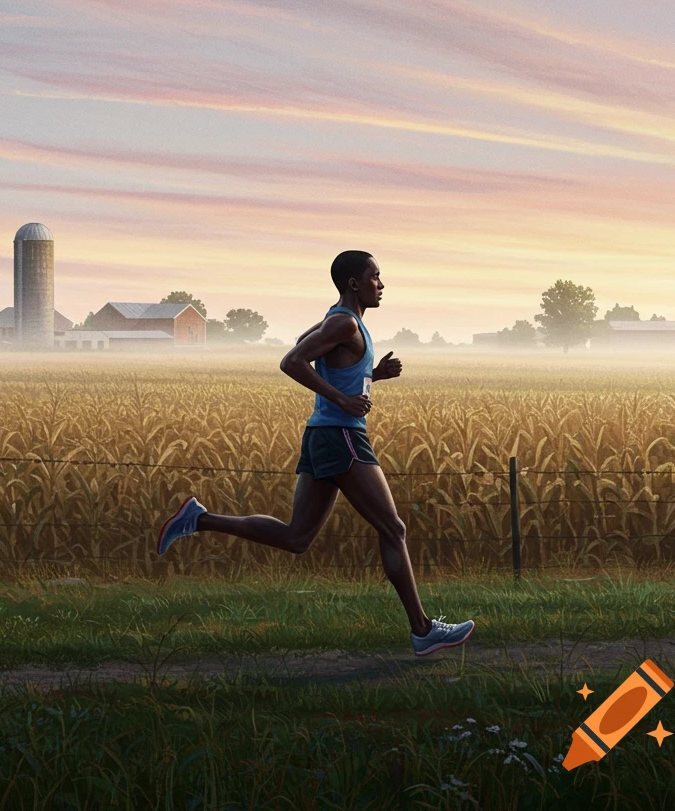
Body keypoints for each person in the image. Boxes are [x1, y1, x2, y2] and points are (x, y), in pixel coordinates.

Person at [157, 250, 474, 656]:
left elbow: (313, 353)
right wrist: (342, 400)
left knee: (297, 538)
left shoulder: (340, 321)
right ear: (354, 284)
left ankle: (198, 519)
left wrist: (370, 376)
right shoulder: (343, 321)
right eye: (375, 277)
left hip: (323, 435)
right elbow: (292, 360)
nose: (382, 284)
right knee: (393, 529)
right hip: (341, 436)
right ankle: (423, 630)